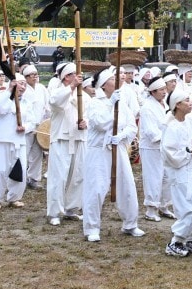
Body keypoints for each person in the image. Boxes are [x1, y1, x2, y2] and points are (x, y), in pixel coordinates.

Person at [81, 68, 142, 241]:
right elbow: (100, 123)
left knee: (127, 185)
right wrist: (110, 104)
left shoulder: (121, 102)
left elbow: (131, 125)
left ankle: (130, 223)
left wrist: (121, 136)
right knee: (96, 188)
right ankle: (91, 228)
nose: (118, 79)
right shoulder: (95, 102)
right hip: (99, 150)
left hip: (118, 148)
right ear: (103, 84)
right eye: (112, 78)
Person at [160, 88, 192, 257]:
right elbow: (169, 154)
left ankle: (191, 237)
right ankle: (176, 241)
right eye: (187, 101)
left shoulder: (190, 121)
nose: (191, 103)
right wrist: (189, 150)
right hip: (181, 172)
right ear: (177, 105)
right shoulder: (172, 127)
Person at [46, 61, 87, 226]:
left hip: (78, 139)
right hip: (61, 140)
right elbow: (55, 102)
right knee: (59, 177)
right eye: (71, 75)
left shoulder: (84, 96)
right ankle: (54, 212)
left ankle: (71, 208)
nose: (76, 77)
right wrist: (71, 88)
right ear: (65, 77)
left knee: (77, 176)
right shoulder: (57, 92)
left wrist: (86, 123)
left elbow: (89, 113)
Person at [0, 71, 26, 210]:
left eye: (24, 84)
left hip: (19, 140)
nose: (23, 87)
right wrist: (9, 91)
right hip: (0, 139)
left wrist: (26, 127)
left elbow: (33, 118)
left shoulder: (27, 101)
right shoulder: (1, 97)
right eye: (21, 84)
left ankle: (14, 197)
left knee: (20, 170)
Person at [139, 76, 170, 221]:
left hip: (165, 146)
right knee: (153, 177)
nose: (164, 92)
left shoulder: (165, 105)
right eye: (161, 90)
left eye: (165, 89)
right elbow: (150, 131)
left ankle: (164, 206)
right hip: (151, 148)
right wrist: (166, 137)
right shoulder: (147, 107)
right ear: (153, 91)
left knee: (167, 177)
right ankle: (151, 210)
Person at [18, 65, 48, 189]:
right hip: (27, 127)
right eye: (32, 75)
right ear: (26, 78)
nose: (35, 77)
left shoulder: (42, 88)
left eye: (36, 74)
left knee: (37, 153)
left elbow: (47, 105)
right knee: (24, 153)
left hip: (40, 126)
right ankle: (21, 179)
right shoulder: (24, 90)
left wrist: (46, 122)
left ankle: (34, 178)